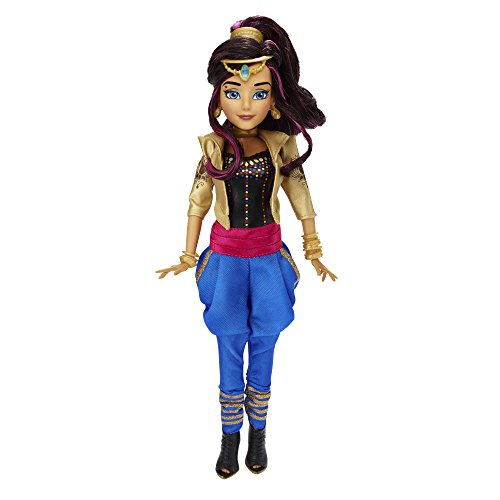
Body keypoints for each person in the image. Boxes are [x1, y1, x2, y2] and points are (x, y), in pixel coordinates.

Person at [156, 15, 337, 479]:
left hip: (268, 258)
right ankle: (229, 436)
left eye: (259, 92)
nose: (245, 104)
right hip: (228, 261)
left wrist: (313, 247)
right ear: (218, 97)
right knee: (229, 342)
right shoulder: (214, 150)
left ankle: (258, 432)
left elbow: (300, 196)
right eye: (233, 92)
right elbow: (197, 202)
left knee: (266, 341)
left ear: (274, 98)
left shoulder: (281, 146)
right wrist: (187, 255)